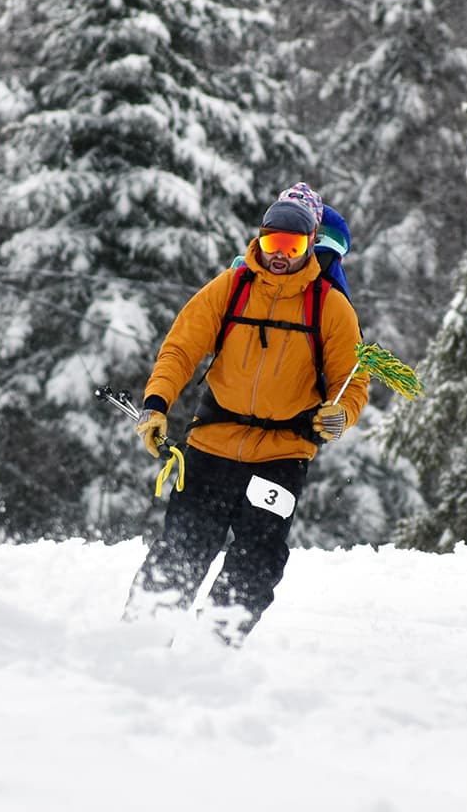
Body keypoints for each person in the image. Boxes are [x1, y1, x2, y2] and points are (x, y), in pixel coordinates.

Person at [124, 183, 369, 645]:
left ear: (310, 244)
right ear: (259, 237)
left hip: (282, 454)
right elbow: (180, 348)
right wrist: (156, 404)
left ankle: (213, 646)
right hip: (212, 444)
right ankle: (141, 639)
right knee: (183, 547)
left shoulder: (330, 306)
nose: (279, 255)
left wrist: (341, 414)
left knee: (258, 558)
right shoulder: (231, 288)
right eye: (272, 242)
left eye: (292, 246)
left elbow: (351, 382)